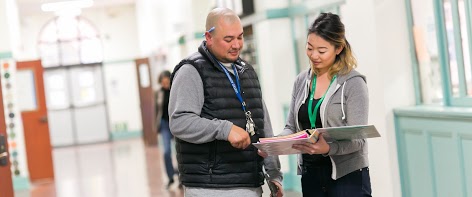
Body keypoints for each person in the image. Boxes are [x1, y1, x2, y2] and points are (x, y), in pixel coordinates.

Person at [169, 7, 283, 197]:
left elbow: (263, 125)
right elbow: (179, 121)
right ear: (209, 37)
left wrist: (274, 174)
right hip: (210, 187)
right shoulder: (191, 71)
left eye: (240, 37)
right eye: (228, 39)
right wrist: (224, 129)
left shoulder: (246, 71)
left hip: (250, 183)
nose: (237, 45)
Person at [279, 13, 372, 196]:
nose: (314, 56)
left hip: (347, 177)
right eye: (309, 48)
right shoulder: (301, 81)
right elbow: (291, 126)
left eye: (322, 51)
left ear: (338, 48)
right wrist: (276, 142)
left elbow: (358, 140)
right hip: (311, 174)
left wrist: (328, 148)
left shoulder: (353, 83)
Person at [155, 70, 178, 189]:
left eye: (167, 82)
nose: (165, 85)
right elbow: (157, 110)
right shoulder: (158, 93)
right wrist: (156, 125)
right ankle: (170, 177)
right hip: (164, 125)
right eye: (163, 83)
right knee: (166, 152)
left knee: (179, 151)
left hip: (176, 124)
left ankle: (181, 176)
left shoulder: (176, 90)